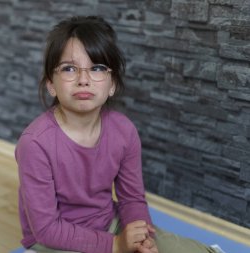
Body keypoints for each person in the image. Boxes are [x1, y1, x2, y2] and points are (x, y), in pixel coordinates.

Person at [15, 15, 217, 253]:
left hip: (108, 222)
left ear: (112, 84)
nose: (83, 80)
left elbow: (132, 199)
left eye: (97, 68)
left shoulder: (124, 131)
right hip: (53, 238)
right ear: (51, 83)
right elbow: (46, 228)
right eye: (69, 68)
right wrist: (115, 245)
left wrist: (141, 238)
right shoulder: (35, 143)